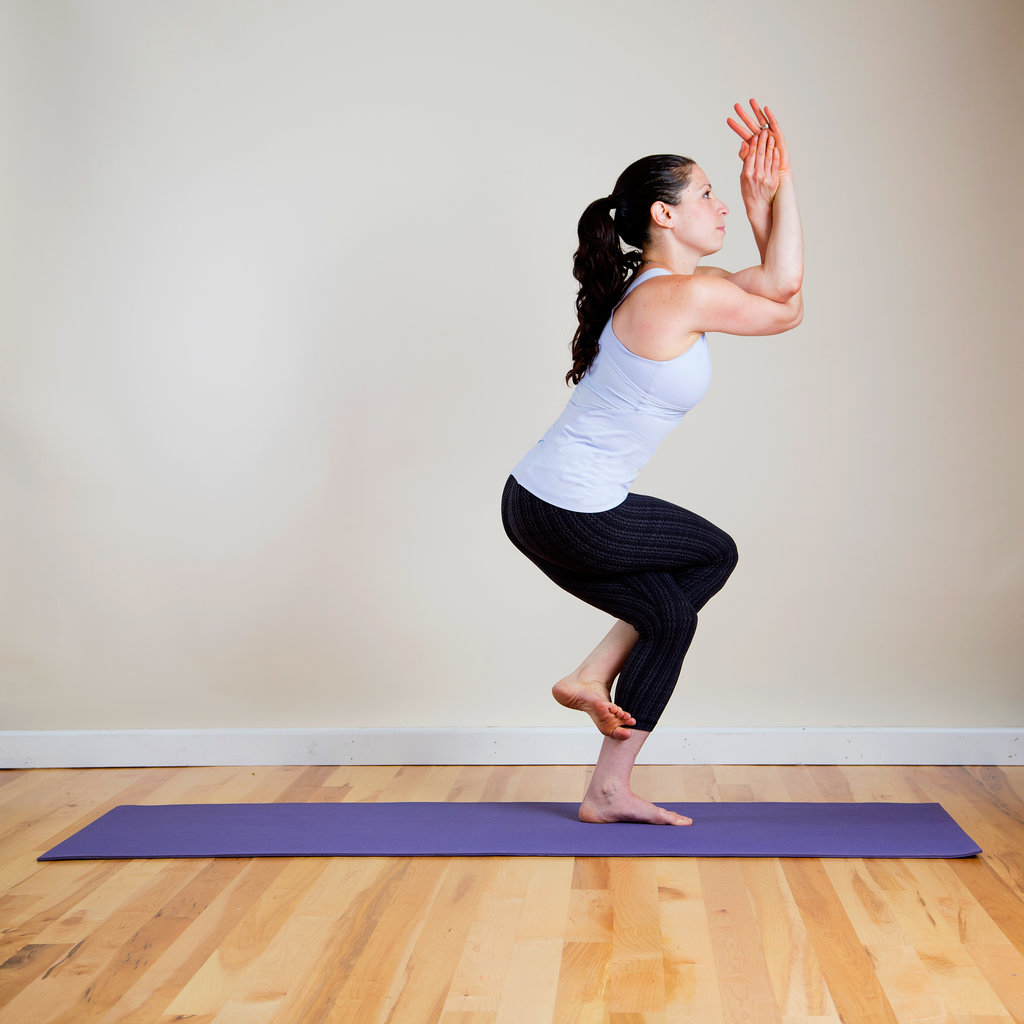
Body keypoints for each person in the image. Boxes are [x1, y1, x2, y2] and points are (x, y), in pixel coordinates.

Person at [501, 99, 804, 825]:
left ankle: (603, 769)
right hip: (570, 509)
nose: (720, 205)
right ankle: (595, 695)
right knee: (713, 556)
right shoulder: (678, 295)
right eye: (707, 193)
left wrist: (764, 204)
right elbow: (787, 300)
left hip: (541, 501)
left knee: (669, 615)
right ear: (665, 215)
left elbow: (774, 285)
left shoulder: (671, 288)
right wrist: (781, 190)